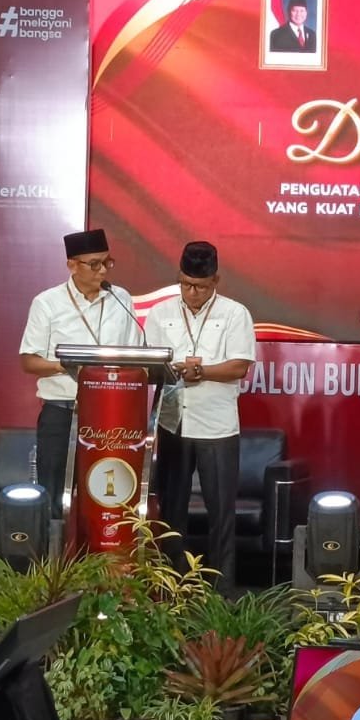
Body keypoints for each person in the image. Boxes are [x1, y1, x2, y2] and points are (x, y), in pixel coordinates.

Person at [144, 241, 256, 590]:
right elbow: (150, 365)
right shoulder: (160, 313)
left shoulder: (235, 313)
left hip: (217, 426)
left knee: (221, 513)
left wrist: (201, 371)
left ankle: (221, 593)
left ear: (215, 281)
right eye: (186, 284)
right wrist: (173, 370)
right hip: (173, 422)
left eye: (201, 287)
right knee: (172, 513)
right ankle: (172, 588)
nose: (192, 293)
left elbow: (239, 366)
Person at [18, 228, 143, 506]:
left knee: (105, 494)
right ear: (72, 265)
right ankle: (54, 536)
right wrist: (67, 367)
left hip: (110, 413)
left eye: (107, 262)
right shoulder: (47, 303)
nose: (103, 271)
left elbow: (134, 355)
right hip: (61, 412)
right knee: (53, 494)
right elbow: (29, 361)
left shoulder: (120, 298)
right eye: (94, 264)